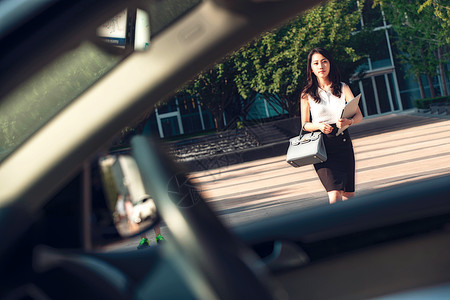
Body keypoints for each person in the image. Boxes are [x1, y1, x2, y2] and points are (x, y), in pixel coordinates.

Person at [300, 47, 363, 204]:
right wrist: (319, 126)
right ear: (311, 68)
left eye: (324, 61)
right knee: (334, 195)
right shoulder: (306, 94)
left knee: (348, 196)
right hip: (322, 148)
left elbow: (359, 115)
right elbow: (305, 125)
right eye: (316, 63)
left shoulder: (343, 88)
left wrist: (349, 122)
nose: (321, 66)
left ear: (330, 64)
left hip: (343, 143)